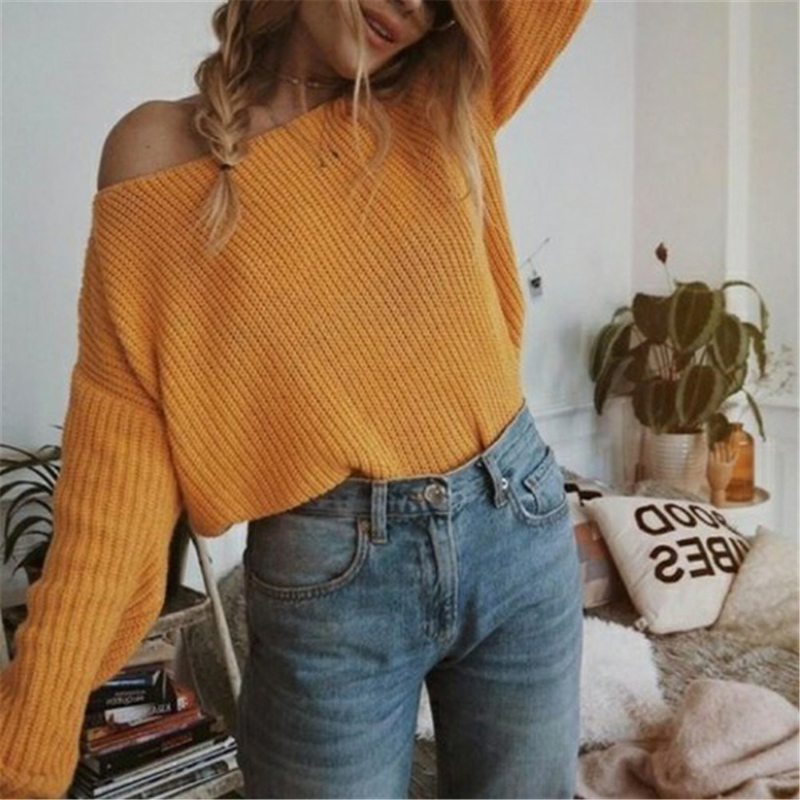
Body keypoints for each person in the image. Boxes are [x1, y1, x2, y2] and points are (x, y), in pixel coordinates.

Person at [0, 0, 593, 797]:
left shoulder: (445, 90)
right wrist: (25, 753)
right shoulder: (154, 157)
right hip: (331, 584)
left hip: (516, 522)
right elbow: (115, 482)